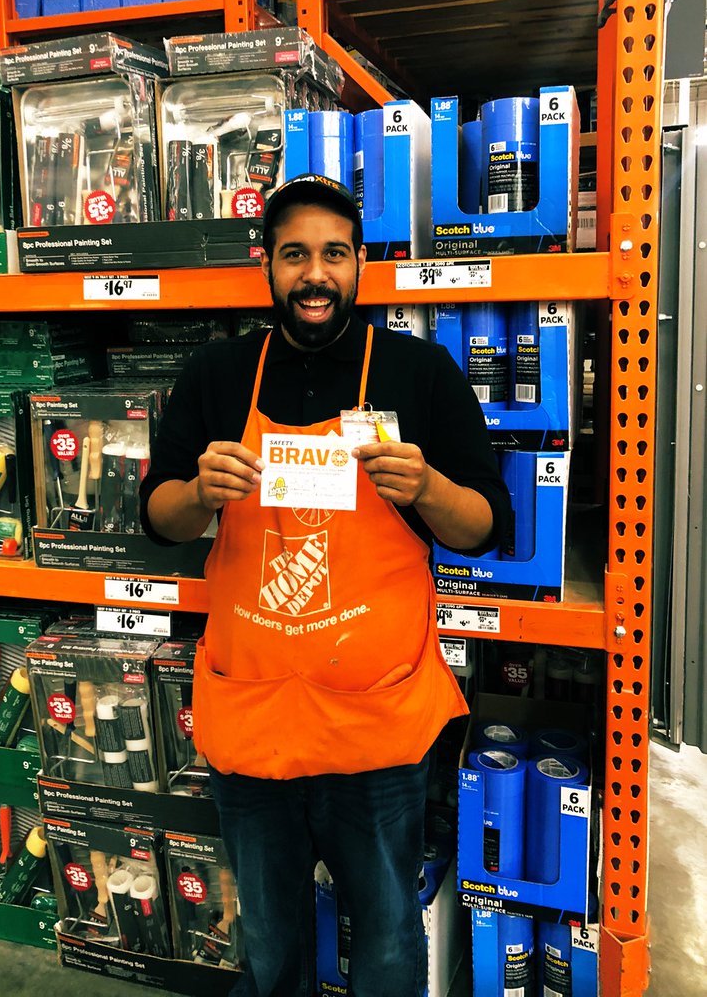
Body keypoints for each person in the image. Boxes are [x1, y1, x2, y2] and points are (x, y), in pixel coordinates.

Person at [141, 174, 510, 997]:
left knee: (386, 937)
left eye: (334, 254)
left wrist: (428, 488)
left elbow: (487, 526)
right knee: (270, 943)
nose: (315, 274)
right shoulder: (219, 373)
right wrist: (198, 492)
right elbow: (158, 518)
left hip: (374, 724)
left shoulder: (419, 373)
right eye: (295, 254)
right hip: (252, 722)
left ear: (360, 265)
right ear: (267, 266)